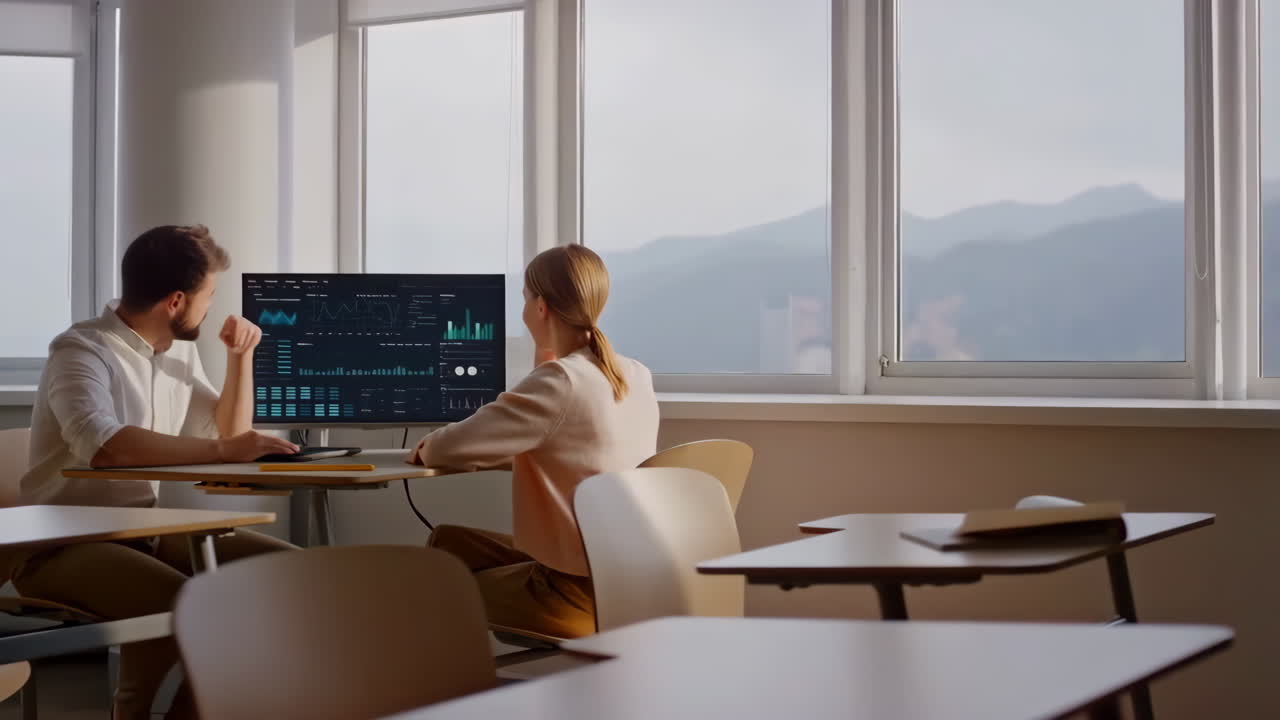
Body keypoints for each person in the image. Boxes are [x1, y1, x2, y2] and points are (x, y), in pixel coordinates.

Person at [8, 224, 299, 720]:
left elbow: (229, 430)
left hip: (143, 530)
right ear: (176, 301)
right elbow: (107, 448)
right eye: (209, 296)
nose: (211, 307)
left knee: (294, 576)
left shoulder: (177, 351)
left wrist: (240, 359)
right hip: (59, 547)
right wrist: (227, 450)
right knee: (190, 609)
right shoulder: (79, 351)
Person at [407, 245, 659, 638]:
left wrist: (426, 448)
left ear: (540, 307)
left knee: (434, 584)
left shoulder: (560, 381)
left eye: (525, 300)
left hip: (573, 594)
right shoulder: (634, 375)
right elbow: (576, 453)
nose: (523, 312)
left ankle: (443, 689)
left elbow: (443, 449)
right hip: (628, 581)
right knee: (450, 541)